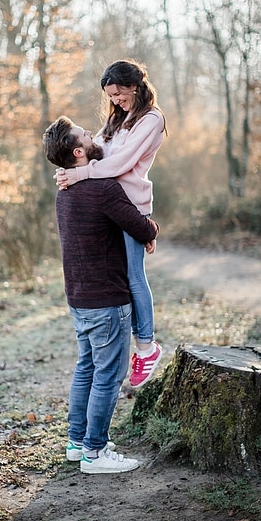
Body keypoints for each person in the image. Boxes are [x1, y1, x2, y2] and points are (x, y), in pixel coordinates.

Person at [43, 115, 160, 474]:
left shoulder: (65, 190)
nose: (93, 135)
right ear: (79, 151)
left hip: (78, 297)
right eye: (85, 135)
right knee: (108, 375)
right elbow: (141, 227)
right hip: (107, 299)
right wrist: (152, 227)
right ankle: (95, 453)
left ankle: (77, 443)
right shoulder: (104, 189)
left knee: (86, 369)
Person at [56, 60, 167, 387]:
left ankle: (146, 347)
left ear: (134, 85)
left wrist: (81, 173)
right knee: (116, 277)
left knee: (134, 275)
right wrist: (68, 169)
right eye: (111, 96)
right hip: (109, 205)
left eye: (119, 93)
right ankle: (132, 343)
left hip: (131, 204)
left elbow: (121, 162)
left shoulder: (151, 119)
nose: (115, 100)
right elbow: (98, 151)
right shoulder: (118, 118)